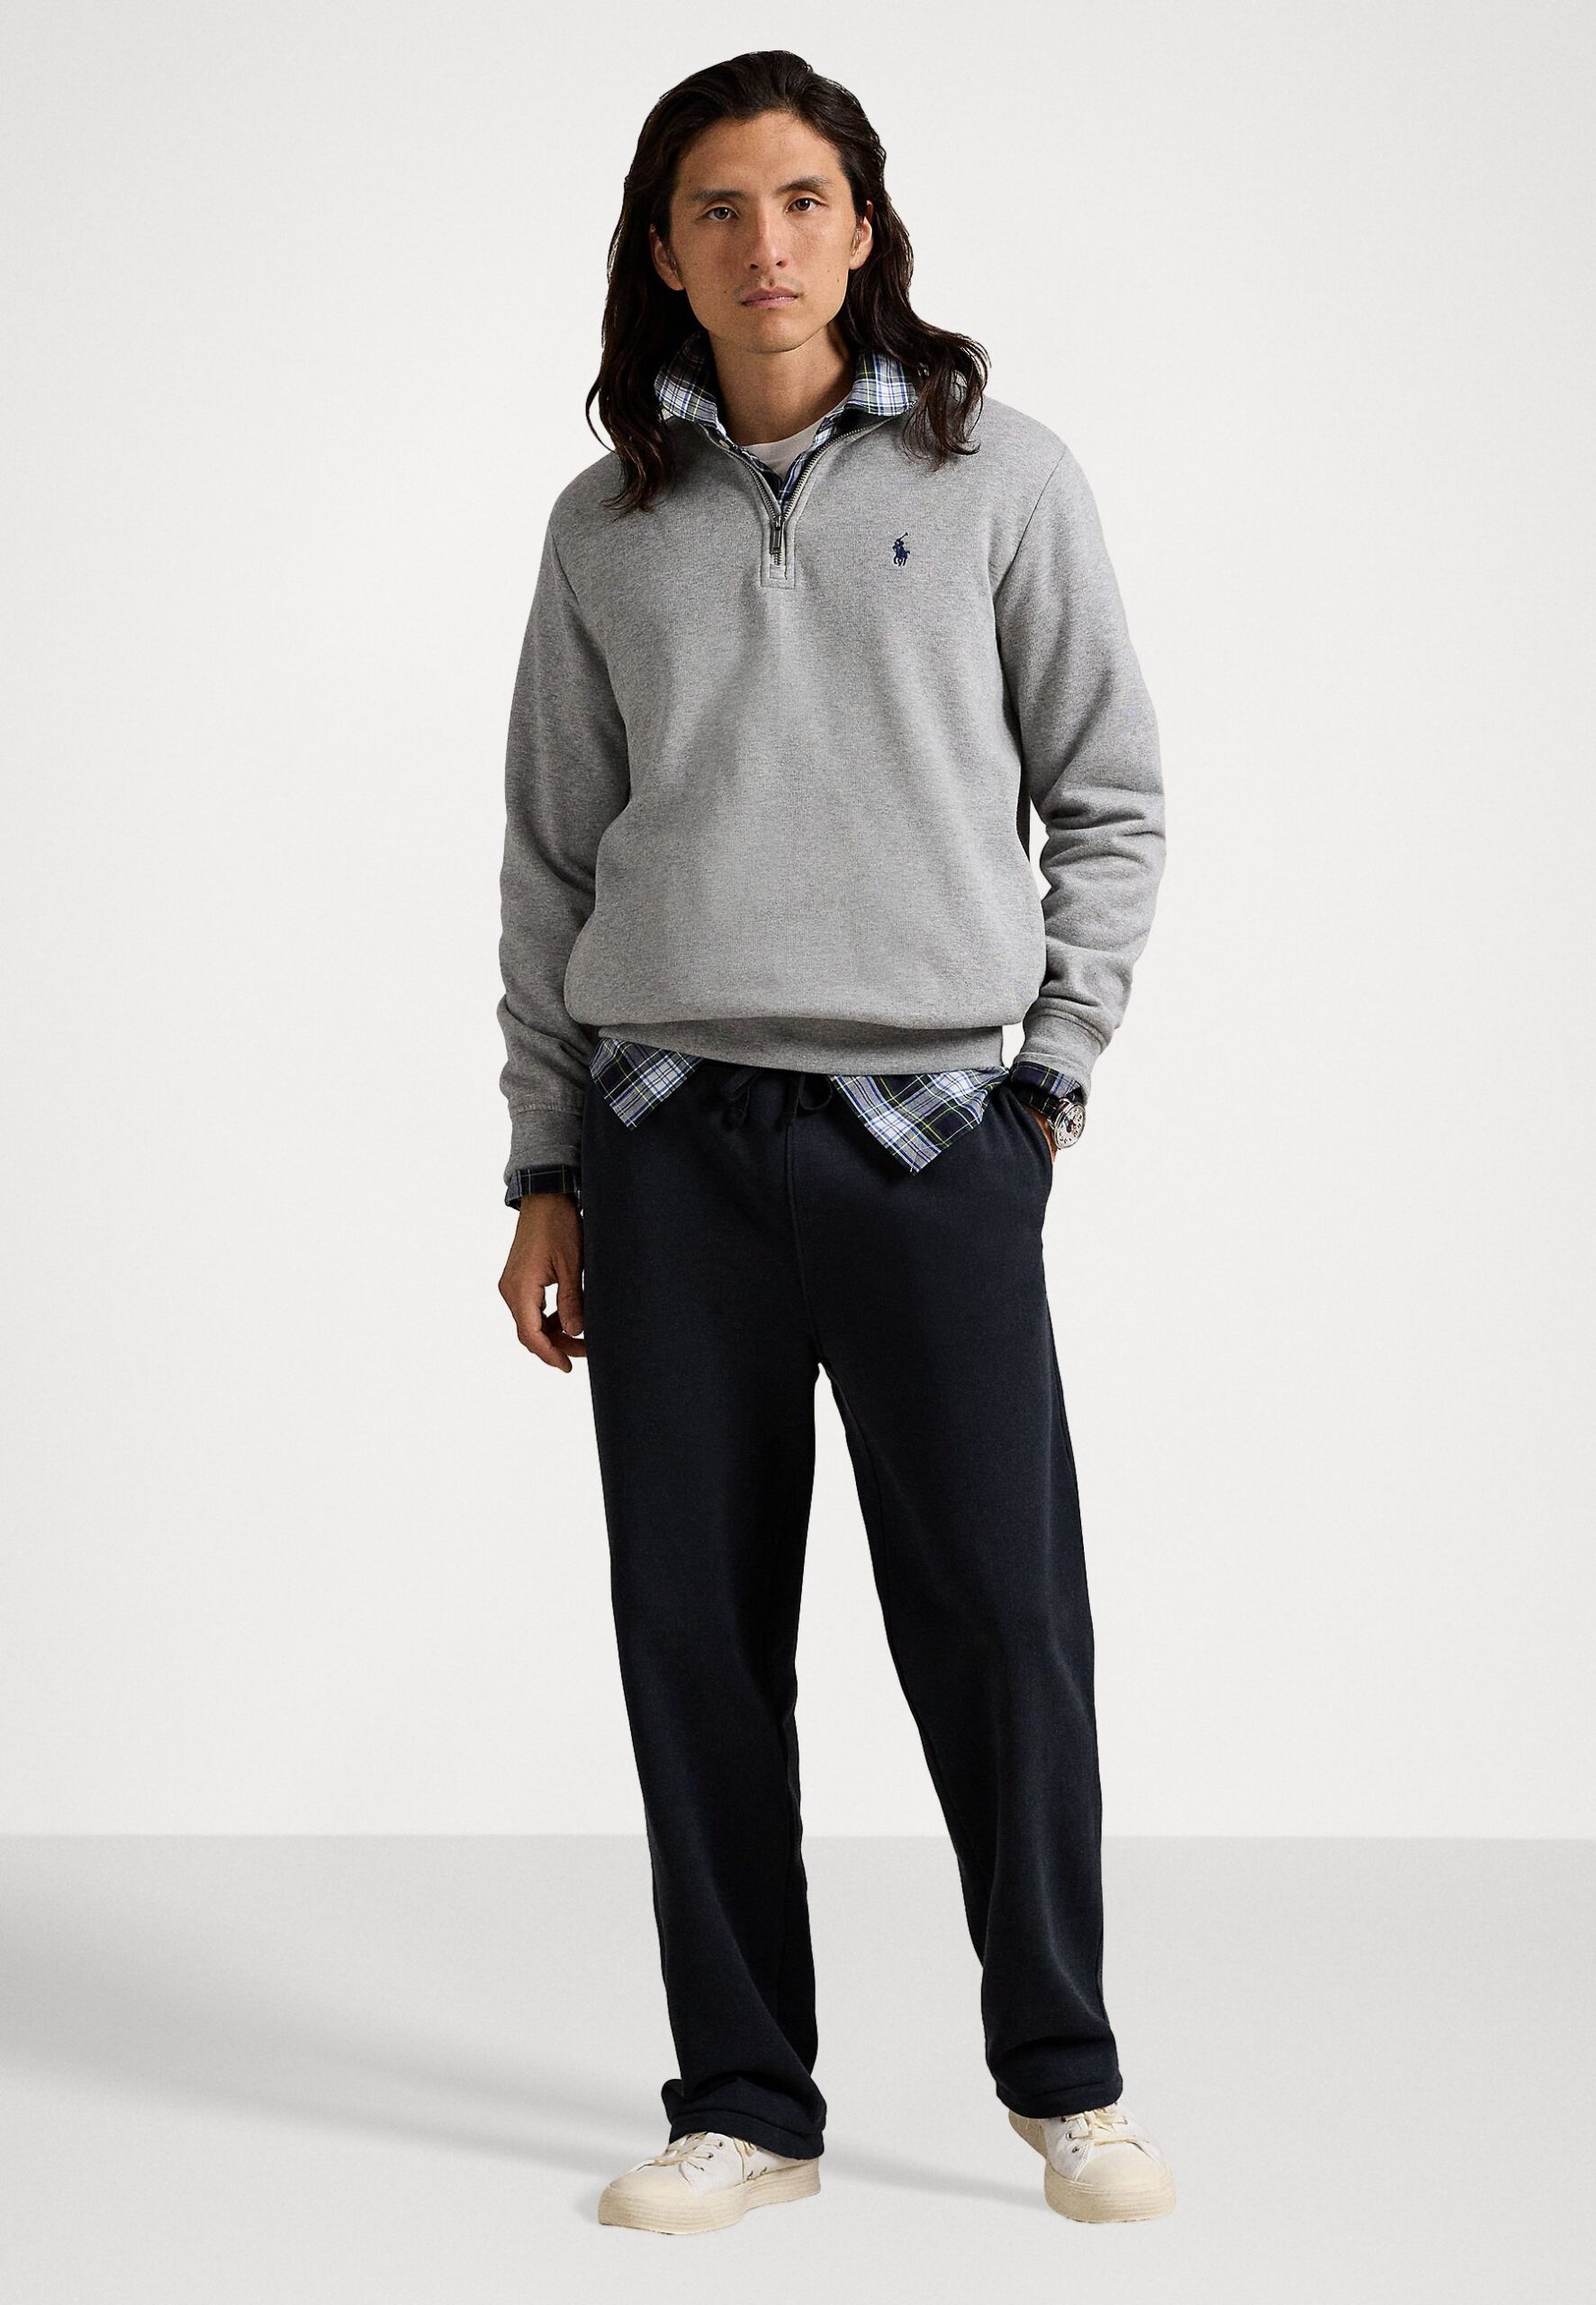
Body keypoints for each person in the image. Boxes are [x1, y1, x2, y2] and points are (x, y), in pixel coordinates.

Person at [495, 50, 1175, 2237]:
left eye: (799, 199)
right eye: (716, 206)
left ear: (860, 226)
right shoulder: (602, 526)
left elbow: (1107, 797)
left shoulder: (1000, 477)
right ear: (664, 247)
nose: (761, 243)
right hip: (661, 1140)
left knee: (998, 1615)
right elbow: (550, 859)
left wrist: (1043, 1080)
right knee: (693, 1631)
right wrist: (540, 1165)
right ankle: (743, 2100)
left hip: (927, 1133)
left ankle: (1064, 2079)